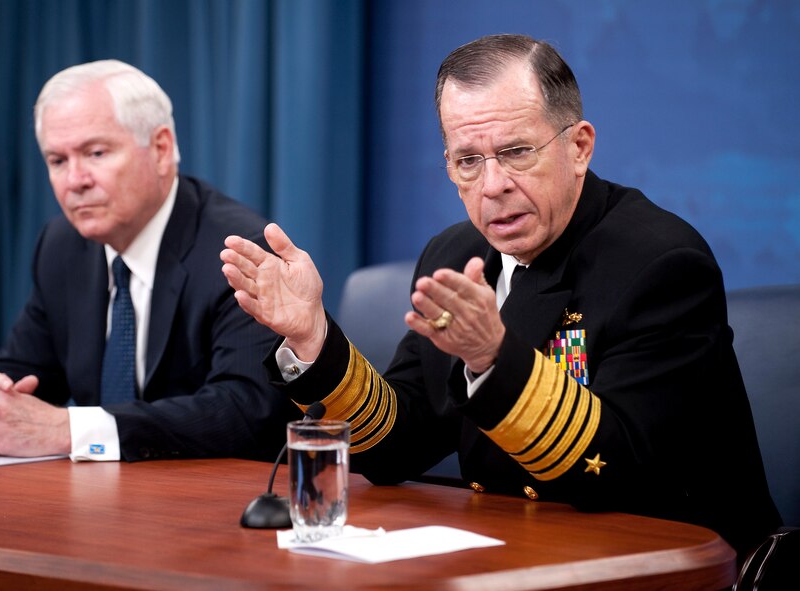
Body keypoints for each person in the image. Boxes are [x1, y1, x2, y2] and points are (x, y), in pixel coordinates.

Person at [220, 34, 781, 559]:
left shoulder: (660, 263)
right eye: (469, 160)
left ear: (579, 147)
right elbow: (397, 446)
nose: (493, 186)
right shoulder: (455, 254)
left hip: (661, 561)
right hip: (516, 551)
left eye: (516, 151)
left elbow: (618, 471)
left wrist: (495, 359)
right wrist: (313, 339)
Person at [0, 59, 301, 462]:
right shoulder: (61, 246)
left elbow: (246, 408)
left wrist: (71, 430)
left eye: (95, 153)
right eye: (57, 161)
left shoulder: (238, 250)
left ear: (160, 149)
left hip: (212, 492)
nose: (75, 180)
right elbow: (27, 368)